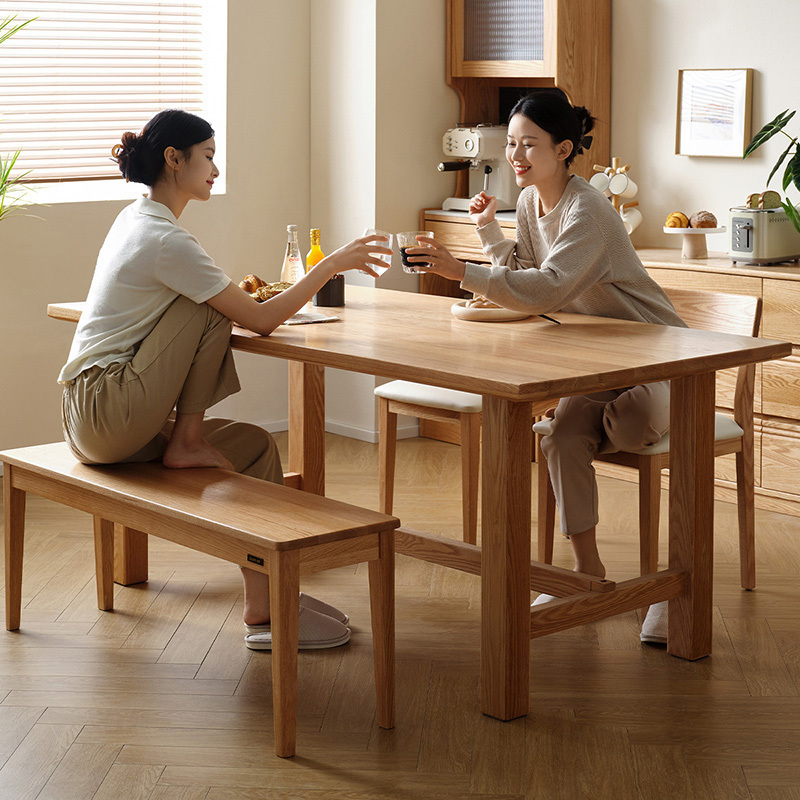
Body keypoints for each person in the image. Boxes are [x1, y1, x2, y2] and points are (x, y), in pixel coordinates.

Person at [58, 109, 391, 652]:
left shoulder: (136, 219)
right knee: (215, 307)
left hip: (92, 415)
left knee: (257, 448)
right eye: (208, 156)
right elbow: (257, 318)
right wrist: (331, 264)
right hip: (108, 411)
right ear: (173, 159)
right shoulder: (165, 241)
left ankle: (264, 610)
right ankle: (187, 442)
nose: (216, 169)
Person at [403, 88, 684, 644]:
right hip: (597, 359)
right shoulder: (530, 202)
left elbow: (547, 288)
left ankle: (669, 589)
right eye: (510, 143)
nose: (515, 155)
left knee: (625, 426)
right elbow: (529, 276)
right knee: (560, 436)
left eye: (528, 144)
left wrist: (460, 269)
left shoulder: (590, 211)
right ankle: (587, 571)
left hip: (658, 354)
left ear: (563, 149)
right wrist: (490, 235)